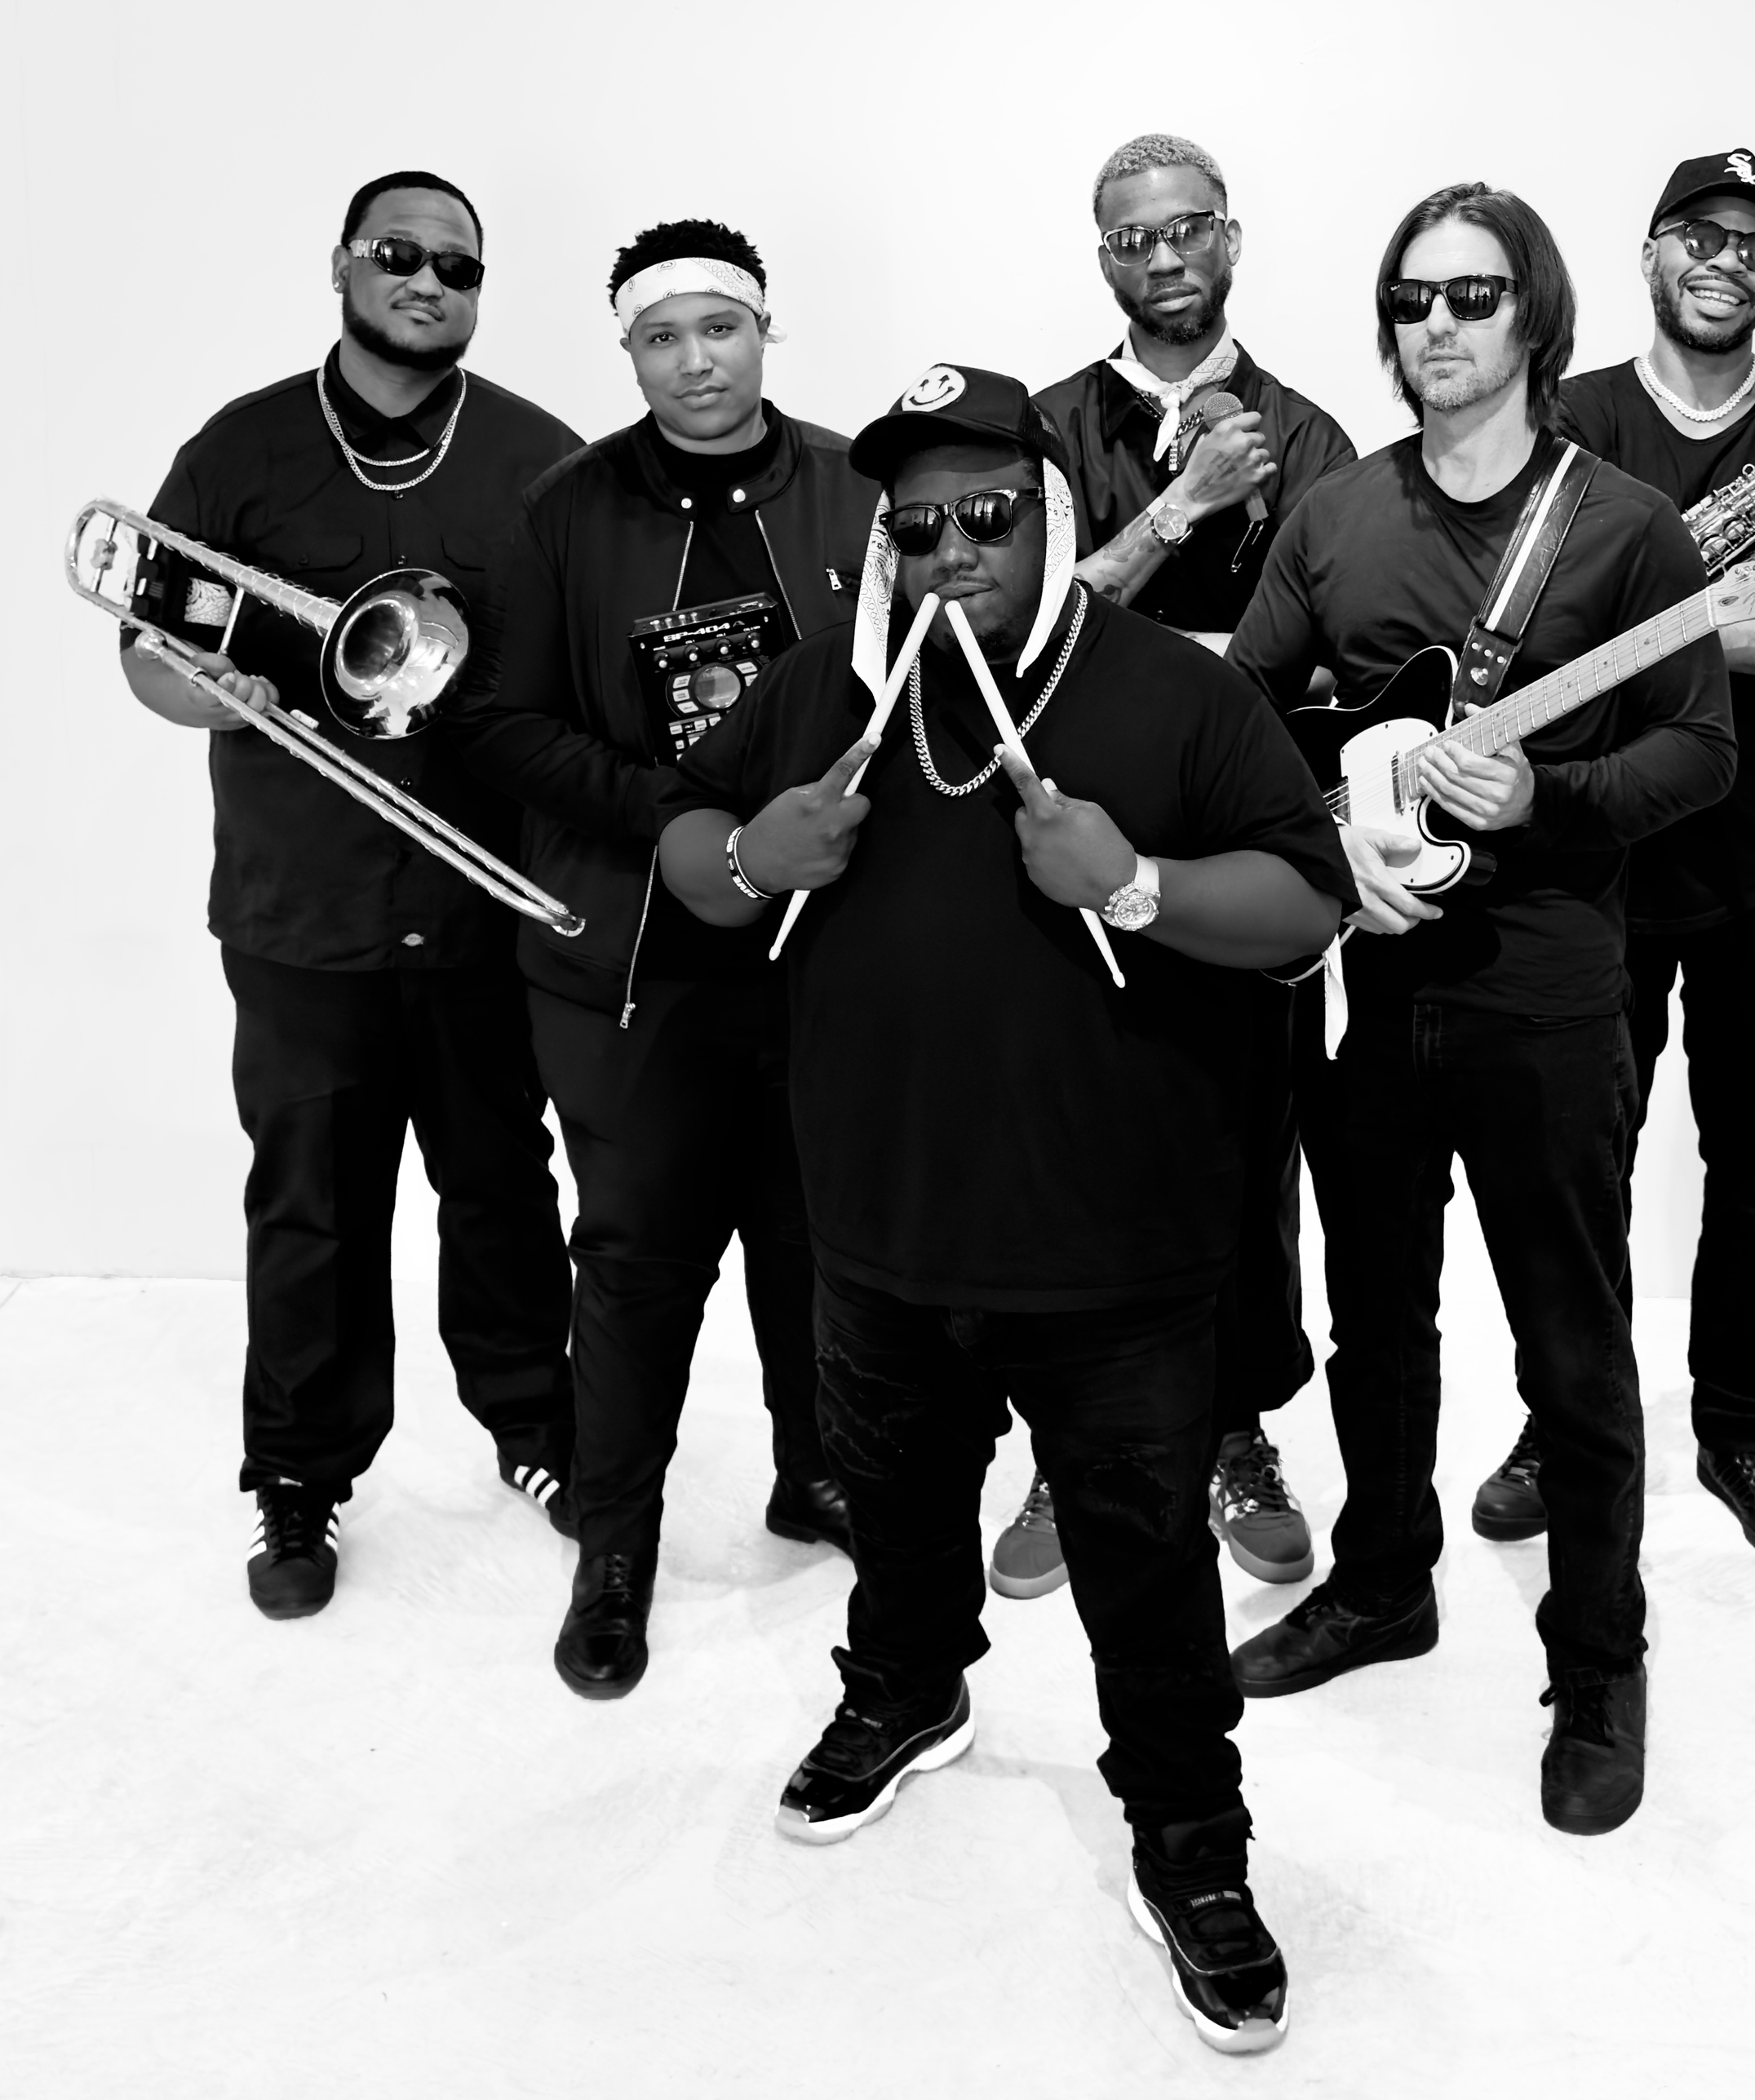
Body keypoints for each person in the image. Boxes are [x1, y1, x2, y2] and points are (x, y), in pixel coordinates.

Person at [658, 366, 1354, 2052]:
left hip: (1113, 1249)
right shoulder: (828, 690)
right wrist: (752, 859)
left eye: (984, 516)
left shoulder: (1173, 692)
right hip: (876, 1228)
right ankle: (908, 1692)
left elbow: (1307, 904)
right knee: (896, 1511)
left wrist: (1137, 884)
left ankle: (1188, 1837)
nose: (947, 551)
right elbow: (680, 844)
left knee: (1144, 1569)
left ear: (1049, 518)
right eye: (913, 528)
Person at [1225, 184, 1738, 1836]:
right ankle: (1384, 1580)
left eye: (1470, 295)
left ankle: (1599, 1660)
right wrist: (1324, 846)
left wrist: (1543, 797)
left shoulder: (1625, 526)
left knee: (1571, 1344)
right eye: (1408, 299)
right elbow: (1239, 723)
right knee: (1374, 1317)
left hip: (1544, 994)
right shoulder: (1335, 514)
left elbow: (1700, 752)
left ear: (1534, 316)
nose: (1433, 326)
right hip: (1368, 989)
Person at [121, 171, 581, 1620]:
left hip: (480, 904)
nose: (428, 280)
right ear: (342, 263)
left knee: (501, 1183)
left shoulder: (538, 458)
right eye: (400, 253)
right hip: (300, 912)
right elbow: (146, 652)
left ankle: (539, 1428)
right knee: (311, 1202)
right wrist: (214, 693)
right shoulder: (243, 449)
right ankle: (298, 1473)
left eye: (459, 265)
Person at [1468, 152, 1755, 1567]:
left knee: (1754, 1157)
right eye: (1701, 236)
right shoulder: (1573, 416)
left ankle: (1745, 1427)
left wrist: (1688, 623)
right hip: (1597, 844)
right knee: (1579, 1161)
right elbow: (1544, 640)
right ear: (1653, 250)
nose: (1728, 262)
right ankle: (1564, 1418)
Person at [452, 220, 876, 1700]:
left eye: (721, 328)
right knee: (637, 1261)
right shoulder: (562, 511)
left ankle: (816, 1471)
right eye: (661, 338)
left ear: (766, 331)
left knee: (814, 1237)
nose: (696, 362)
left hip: (818, 951)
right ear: (627, 354)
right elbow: (498, 723)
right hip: (632, 957)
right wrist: (676, 817)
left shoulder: (856, 488)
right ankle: (616, 1541)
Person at [994, 134, 1359, 1602]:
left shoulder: (1315, 437)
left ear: (1231, 239)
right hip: (1064, 847)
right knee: (1067, 1146)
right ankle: (1067, 1442)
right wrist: (1183, 507)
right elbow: (1018, 633)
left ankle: (1231, 1427)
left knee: (1245, 1151)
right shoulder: (1041, 427)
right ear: (1103, 258)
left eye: (1188, 227)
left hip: (1240, 852)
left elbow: (1340, 663)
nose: (1163, 256)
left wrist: (1195, 662)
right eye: (1132, 237)